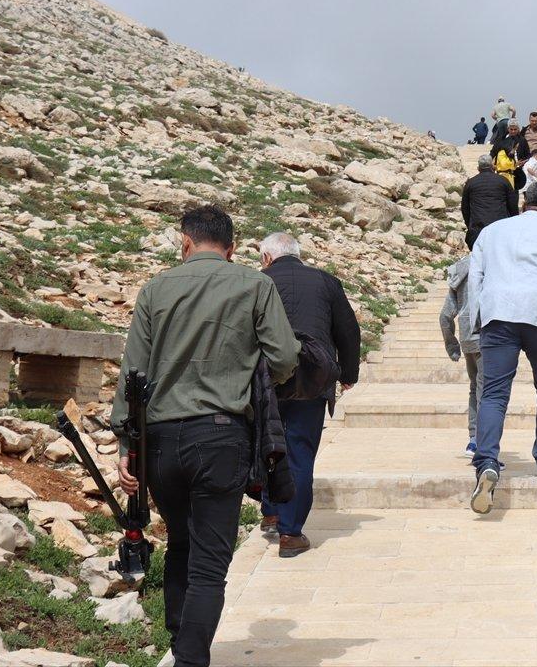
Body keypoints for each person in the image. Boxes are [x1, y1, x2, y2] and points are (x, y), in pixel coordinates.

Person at [113, 205, 300, 667]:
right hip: (220, 437)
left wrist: (126, 448)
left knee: (181, 542)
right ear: (232, 248)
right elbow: (285, 357)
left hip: (159, 442)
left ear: (186, 243)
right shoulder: (255, 284)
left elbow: (132, 374)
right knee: (210, 564)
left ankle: (181, 646)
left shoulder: (156, 289)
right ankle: (190, 659)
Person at [467, 182, 537, 515]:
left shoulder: (493, 231)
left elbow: (476, 276)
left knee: (495, 393)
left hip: (498, 313)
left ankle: (486, 460)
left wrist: (478, 317)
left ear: (523, 202)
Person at [257, 232, 361, 557]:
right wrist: (348, 374)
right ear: (298, 254)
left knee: (267, 443)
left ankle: (271, 511)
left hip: (267, 379)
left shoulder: (257, 282)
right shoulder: (326, 282)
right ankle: (290, 534)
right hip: (312, 379)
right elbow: (348, 330)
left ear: (267, 258)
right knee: (300, 451)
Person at [440, 246, 482, 458]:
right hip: (488, 334)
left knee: (475, 387)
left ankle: (473, 439)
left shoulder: (461, 269)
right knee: (488, 391)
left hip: (467, 336)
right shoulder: (495, 263)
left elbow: (445, 316)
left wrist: (452, 346)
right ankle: (485, 446)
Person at [461, 154, 518, 249]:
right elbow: (512, 205)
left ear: (478, 168)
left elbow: (465, 208)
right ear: (492, 166)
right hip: (500, 230)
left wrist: (470, 226)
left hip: (478, 231)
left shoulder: (471, 183)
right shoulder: (503, 181)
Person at [491, 119, 529, 191]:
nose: (513, 131)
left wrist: (523, 162)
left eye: (515, 129)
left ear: (518, 129)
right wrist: (490, 163)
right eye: (511, 129)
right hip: (502, 171)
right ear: (508, 129)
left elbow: (527, 154)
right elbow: (493, 152)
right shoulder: (501, 140)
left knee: (514, 193)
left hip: (518, 171)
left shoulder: (522, 140)